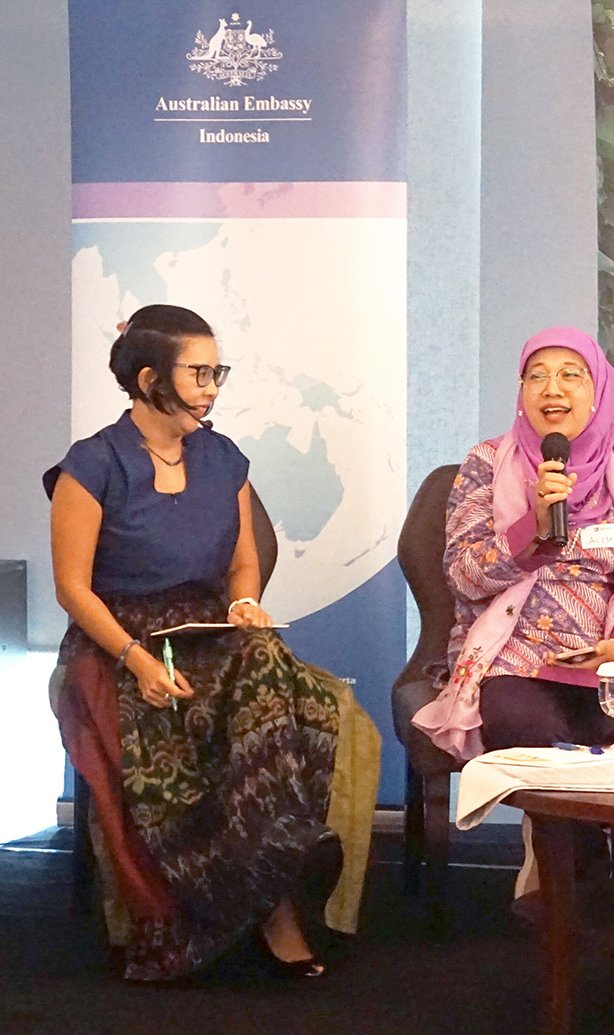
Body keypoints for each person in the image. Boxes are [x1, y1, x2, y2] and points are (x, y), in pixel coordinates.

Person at [47, 305, 378, 982]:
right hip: (118, 638)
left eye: (216, 371)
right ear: (148, 378)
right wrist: (136, 661)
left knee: (281, 673)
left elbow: (242, 564)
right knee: (181, 717)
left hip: (205, 625)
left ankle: (277, 857)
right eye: (199, 372)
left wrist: (246, 605)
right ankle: (278, 881)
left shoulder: (222, 457)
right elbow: (72, 590)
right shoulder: (92, 464)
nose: (212, 386)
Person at [413, 327, 614, 759]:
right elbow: (464, 576)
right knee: (518, 720)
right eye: (537, 377)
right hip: (516, 650)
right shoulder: (485, 463)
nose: (552, 389)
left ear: (597, 389)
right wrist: (533, 526)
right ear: (522, 392)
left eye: (570, 375)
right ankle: (552, 827)